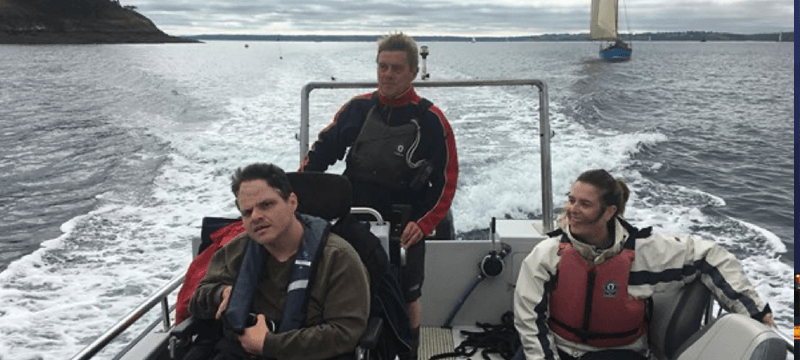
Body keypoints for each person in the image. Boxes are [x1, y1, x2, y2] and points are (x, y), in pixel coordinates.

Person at [299, 32, 459, 359]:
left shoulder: (431, 120)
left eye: (396, 68)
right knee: (339, 285)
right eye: (382, 66)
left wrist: (424, 224)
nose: (387, 74)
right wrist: (302, 194)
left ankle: (409, 351)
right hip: (353, 213)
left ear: (413, 72)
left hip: (405, 220)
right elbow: (321, 153)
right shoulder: (356, 109)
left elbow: (447, 180)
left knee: (408, 292)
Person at [513, 169, 775, 360]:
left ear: (608, 212)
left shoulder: (645, 254)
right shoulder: (548, 255)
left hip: (619, 353)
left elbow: (710, 255)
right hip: (558, 346)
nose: (572, 210)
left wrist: (755, 312)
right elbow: (529, 320)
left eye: (585, 204)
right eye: (571, 200)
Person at [189, 163, 370, 360]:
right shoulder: (237, 250)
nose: (256, 217)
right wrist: (221, 293)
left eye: (266, 205)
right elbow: (197, 300)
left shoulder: (338, 258)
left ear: (292, 202)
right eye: (247, 212)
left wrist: (268, 345)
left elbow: (345, 333)